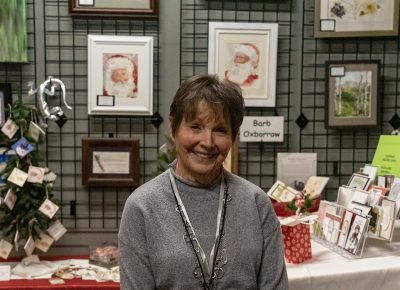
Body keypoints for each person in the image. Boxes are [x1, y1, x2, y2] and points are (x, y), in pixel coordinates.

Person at [118, 74, 288, 289]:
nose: (207, 142)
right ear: (173, 128)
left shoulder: (256, 203)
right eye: (196, 126)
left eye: (220, 130)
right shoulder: (142, 207)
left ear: (233, 137)